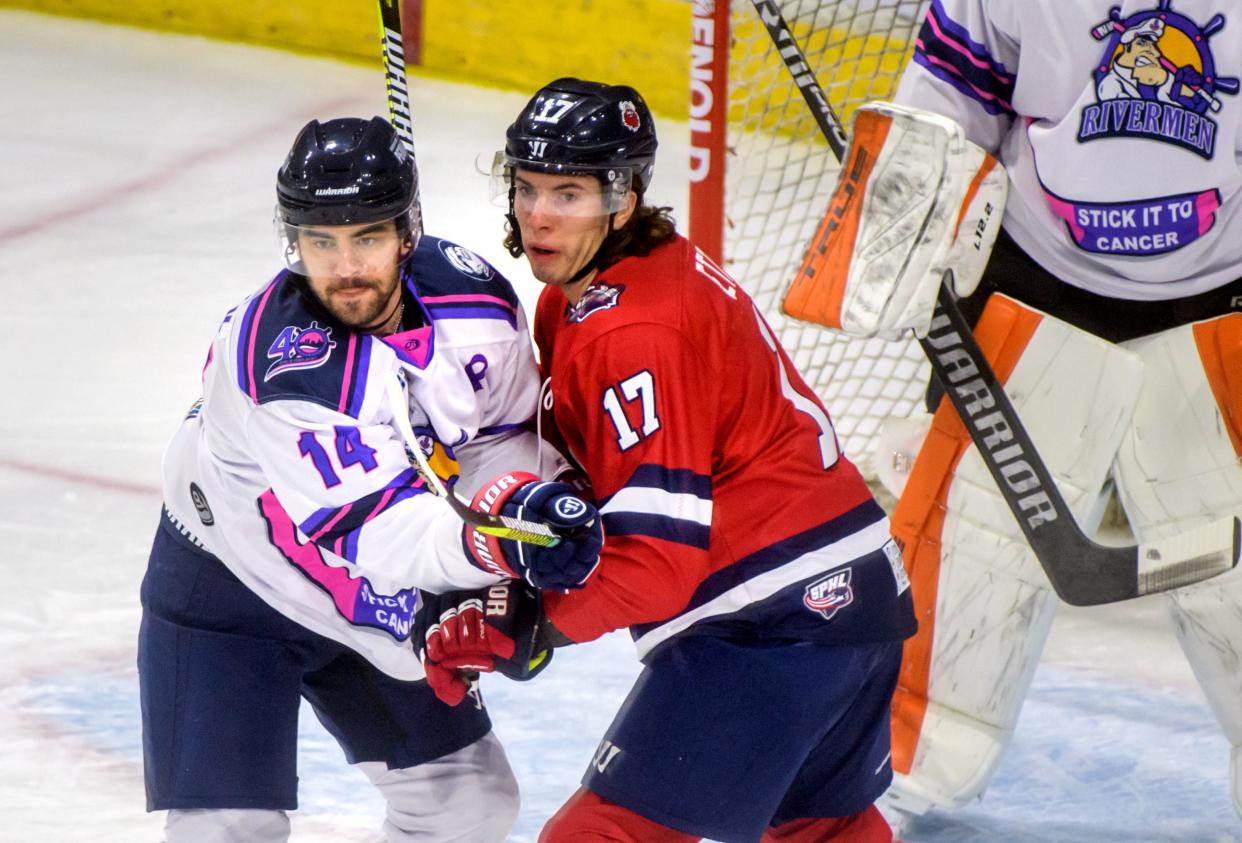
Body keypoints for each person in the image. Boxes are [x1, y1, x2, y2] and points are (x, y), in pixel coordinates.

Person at [794, 0, 1242, 828]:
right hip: (1033, 275)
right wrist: (909, 219)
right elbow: (953, 94)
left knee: (1233, 572)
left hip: (1223, 290)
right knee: (974, 542)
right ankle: (883, 783)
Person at [450, 77, 918, 843]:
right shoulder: (604, 288)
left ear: (622, 196)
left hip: (773, 619)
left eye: (567, 194)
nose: (537, 214)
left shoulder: (629, 332)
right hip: (857, 598)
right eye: (526, 188)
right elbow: (587, 467)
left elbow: (656, 563)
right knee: (827, 834)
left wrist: (541, 622)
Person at [137, 115, 602, 843]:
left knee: (468, 802)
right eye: (321, 241)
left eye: (367, 238)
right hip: (229, 582)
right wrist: (496, 547)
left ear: (406, 233)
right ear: (293, 240)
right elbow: (379, 530)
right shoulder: (285, 366)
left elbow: (501, 435)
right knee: (226, 828)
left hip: (363, 576)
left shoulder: (476, 300)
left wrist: (521, 498)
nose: (344, 267)